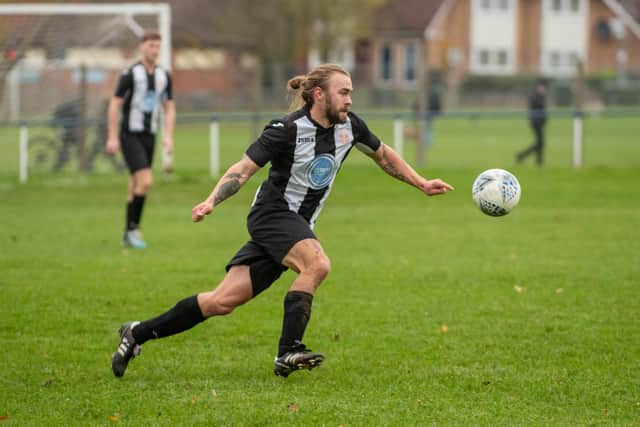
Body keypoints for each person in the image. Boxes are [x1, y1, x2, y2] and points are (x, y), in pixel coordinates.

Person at [111, 63, 454, 379]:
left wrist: (421, 183)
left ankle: (136, 332)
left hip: (294, 227)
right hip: (272, 216)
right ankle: (288, 351)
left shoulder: (350, 127)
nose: (350, 99)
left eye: (351, 92)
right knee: (317, 264)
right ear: (319, 94)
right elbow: (242, 170)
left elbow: (384, 155)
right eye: (344, 92)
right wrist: (212, 200)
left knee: (221, 302)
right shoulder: (285, 130)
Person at [106, 30, 175, 249]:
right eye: (150, 45)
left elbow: (169, 107)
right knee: (146, 181)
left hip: (150, 135)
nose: (154, 50)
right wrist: (112, 137)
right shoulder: (130, 73)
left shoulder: (164, 76)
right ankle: (133, 230)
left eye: (157, 46)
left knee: (135, 184)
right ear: (141, 47)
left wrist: (169, 136)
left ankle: (128, 234)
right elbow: (115, 104)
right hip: (129, 134)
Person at [517, 80, 547, 166]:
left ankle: (538, 161)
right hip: (536, 122)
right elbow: (538, 105)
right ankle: (522, 155)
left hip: (540, 122)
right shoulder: (535, 96)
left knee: (540, 142)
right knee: (540, 142)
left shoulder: (541, 96)